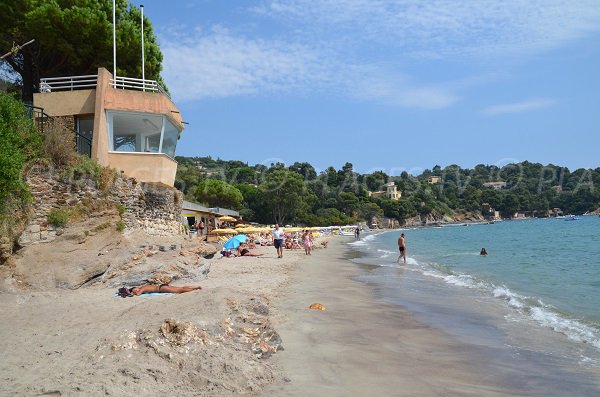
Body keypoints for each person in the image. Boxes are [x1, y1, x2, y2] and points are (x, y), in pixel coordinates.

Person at [129, 284, 201, 295]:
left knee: (179, 291)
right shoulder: (144, 287)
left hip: (162, 288)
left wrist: (132, 293)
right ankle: (195, 288)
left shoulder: (143, 288)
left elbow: (138, 294)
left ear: (136, 287)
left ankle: (194, 290)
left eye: (134, 289)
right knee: (180, 288)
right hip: (162, 286)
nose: (135, 291)